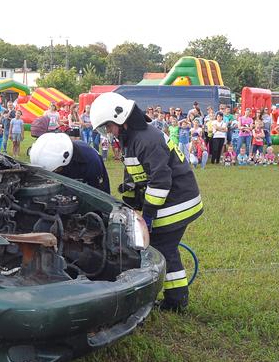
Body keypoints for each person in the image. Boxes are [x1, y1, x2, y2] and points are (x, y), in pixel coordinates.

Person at [91, 92, 203, 311]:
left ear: (121, 119)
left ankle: (176, 301)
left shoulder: (146, 140)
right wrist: (130, 207)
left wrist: (149, 215)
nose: (109, 133)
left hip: (177, 202)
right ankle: (175, 297)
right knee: (163, 248)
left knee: (163, 249)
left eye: (108, 127)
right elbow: (133, 177)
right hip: (168, 200)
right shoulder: (131, 139)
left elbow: (160, 182)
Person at [29, 132, 110, 193]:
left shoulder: (91, 161)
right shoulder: (52, 152)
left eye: (55, 170)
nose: (54, 172)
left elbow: (98, 194)